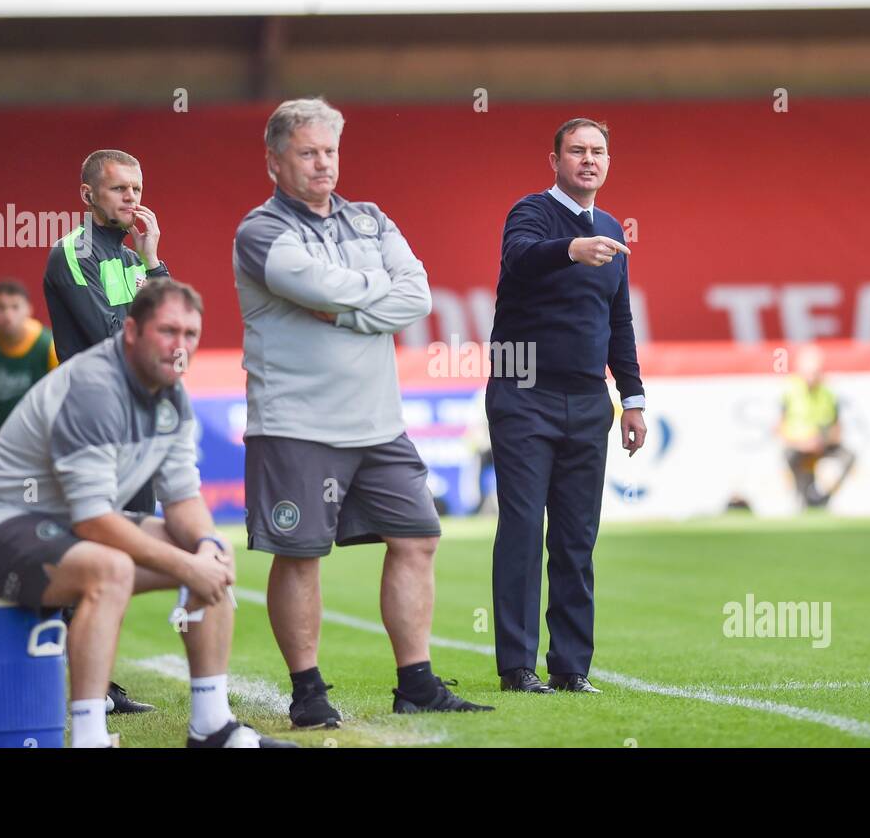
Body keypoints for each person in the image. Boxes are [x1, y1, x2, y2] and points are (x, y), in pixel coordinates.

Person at [0, 278, 294, 748]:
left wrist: (206, 546)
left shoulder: (173, 394)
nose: (181, 345)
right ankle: (89, 736)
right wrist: (187, 566)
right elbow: (92, 521)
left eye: (191, 334)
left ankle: (211, 726)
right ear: (132, 331)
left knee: (211, 550)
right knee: (111, 568)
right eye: (168, 331)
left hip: (59, 525)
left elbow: (184, 500)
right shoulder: (94, 386)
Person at [233, 97, 493, 727]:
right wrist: (365, 299)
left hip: (379, 422)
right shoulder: (260, 230)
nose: (323, 164)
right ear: (274, 160)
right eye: (307, 152)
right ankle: (308, 692)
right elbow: (319, 286)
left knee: (418, 538)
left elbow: (417, 295)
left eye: (330, 151)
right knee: (299, 555)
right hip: (296, 422)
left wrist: (347, 309)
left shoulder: (372, 219)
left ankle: (416, 682)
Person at [488, 119, 646, 695]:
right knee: (524, 530)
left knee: (577, 538)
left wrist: (631, 397)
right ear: (553, 158)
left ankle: (571, 666)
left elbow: (619, 320)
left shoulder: (610, 228)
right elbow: (521, 259)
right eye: (576, 150)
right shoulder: (530, 213)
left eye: (598, 151)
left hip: (587, 398)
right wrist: (571, 250)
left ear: (609, 161)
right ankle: (517, 667)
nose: (588, 160)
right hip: (523, 390)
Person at [42, 148, 169, 713]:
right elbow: (112, 336)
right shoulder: (73, 253)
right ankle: (55, 669)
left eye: (137, 188)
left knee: (125, 556)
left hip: (137, 423)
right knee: (93, 553)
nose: (133, 199)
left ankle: (96, 681)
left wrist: (154, 260)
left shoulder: (132, 255)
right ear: (87, 195)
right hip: (94, 425)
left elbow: (172, 327)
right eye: (120, 189)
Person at [0, 280, 58, 451]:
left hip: (37, 442)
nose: (8, 315)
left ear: (29, 310)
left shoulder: (49, 346)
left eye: (15, 307)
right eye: (1, 307)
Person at [778, 345, 855, 508]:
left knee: (848, 457)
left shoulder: (828, 393)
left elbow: (837, 428)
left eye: (815, 372)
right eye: (808, 372)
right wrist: (803, 443)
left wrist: (823, 441)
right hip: (798, 446)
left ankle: (825, 497)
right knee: (789, 456)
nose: (811, 377)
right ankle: (802, 497)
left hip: (823, 444)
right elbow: (780, 429)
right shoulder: (790, 391)